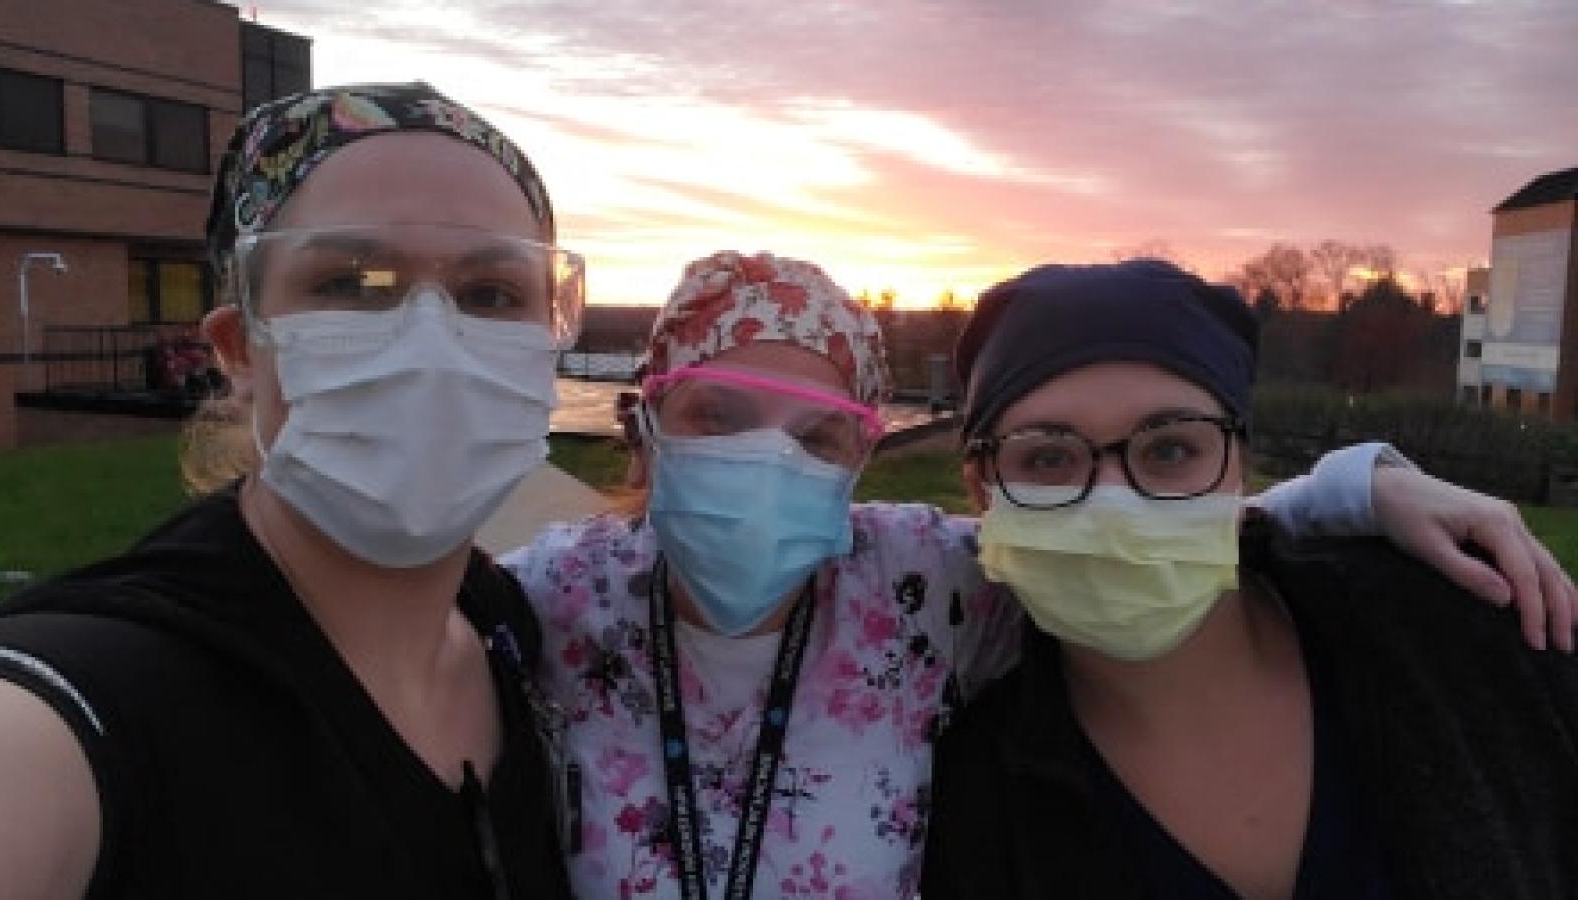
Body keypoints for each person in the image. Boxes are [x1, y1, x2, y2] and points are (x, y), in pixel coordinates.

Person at [505, 250, 1573, 899]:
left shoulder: (910, 592)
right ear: (646, 422)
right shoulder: (535, 610)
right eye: (717, 418)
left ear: (861, 458)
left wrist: (1356, 488)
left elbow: (1165, 525)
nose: (765, 462)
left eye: (818, 435)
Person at [0, 83, 579, 898]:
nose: (431, 342)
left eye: (491, 294)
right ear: (239, 350)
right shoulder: (98, 696)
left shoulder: (511, 631)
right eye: (353, 283)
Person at [920, 260, 1578, 898]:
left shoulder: (1463, 635)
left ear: (1240, 464)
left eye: (1170, 450)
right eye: (1049, 457)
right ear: (983, 492)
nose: (1114, 504)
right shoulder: (969, 804)